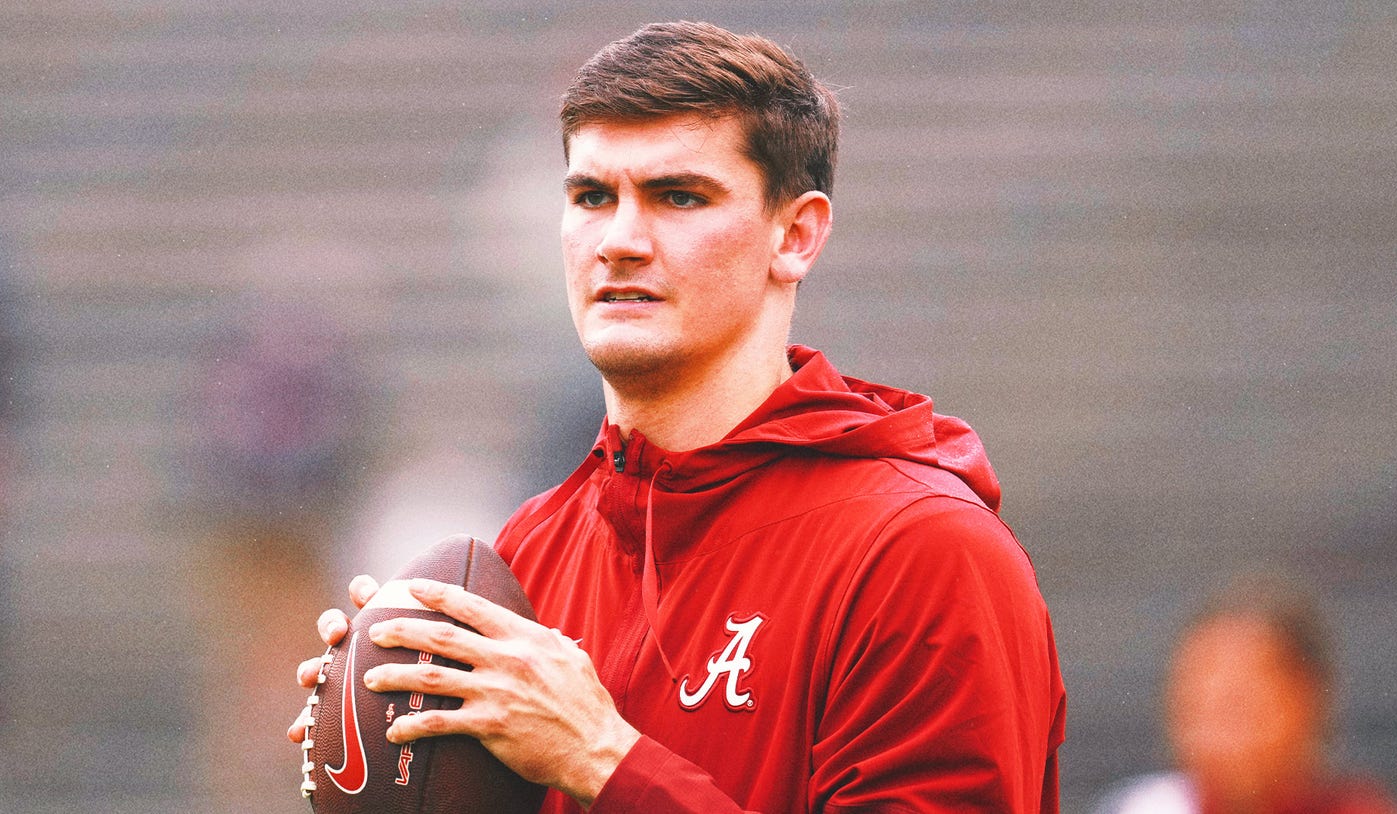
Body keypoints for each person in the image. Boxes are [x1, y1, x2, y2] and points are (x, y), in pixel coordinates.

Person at [289, 20, 1066, 813]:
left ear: (796, 235)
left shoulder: (926, 554)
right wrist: (387, 755)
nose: (619, 241)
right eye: (593, 197)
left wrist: (605, 759)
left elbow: (601, 760)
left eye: (678, 197)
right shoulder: (530, 552)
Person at [1094, 573, 1397, 814]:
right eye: (1197, 705)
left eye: (1238, 706)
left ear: (1306, 702)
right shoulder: (1141, 807)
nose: (1212, 734)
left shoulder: (1356, 809)